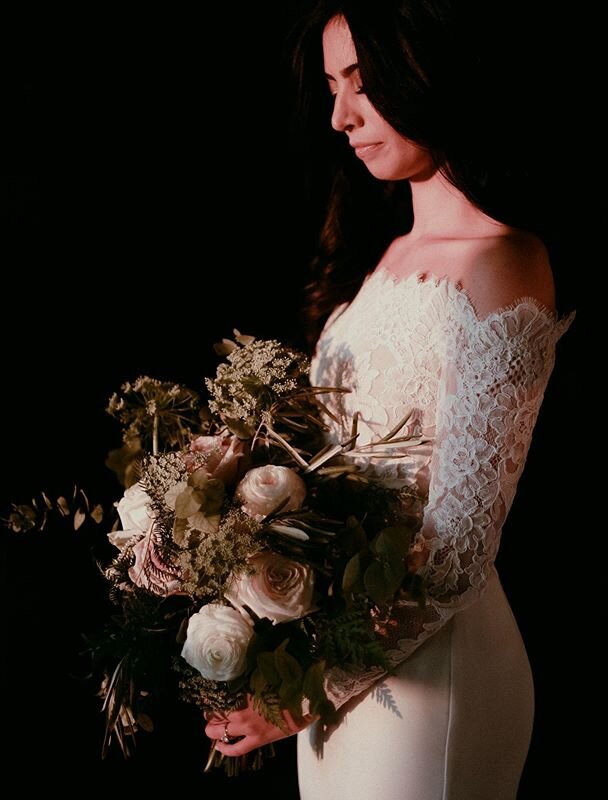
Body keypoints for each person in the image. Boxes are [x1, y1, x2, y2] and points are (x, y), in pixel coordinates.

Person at [204, 2, 574, 798]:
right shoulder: (382, 258)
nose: (340, 116)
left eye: (362, 85)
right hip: (339, 667)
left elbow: (460, 548)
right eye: (333, 88)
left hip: (432, 668)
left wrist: (307, 689)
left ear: (422, 74)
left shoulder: (503, 260)